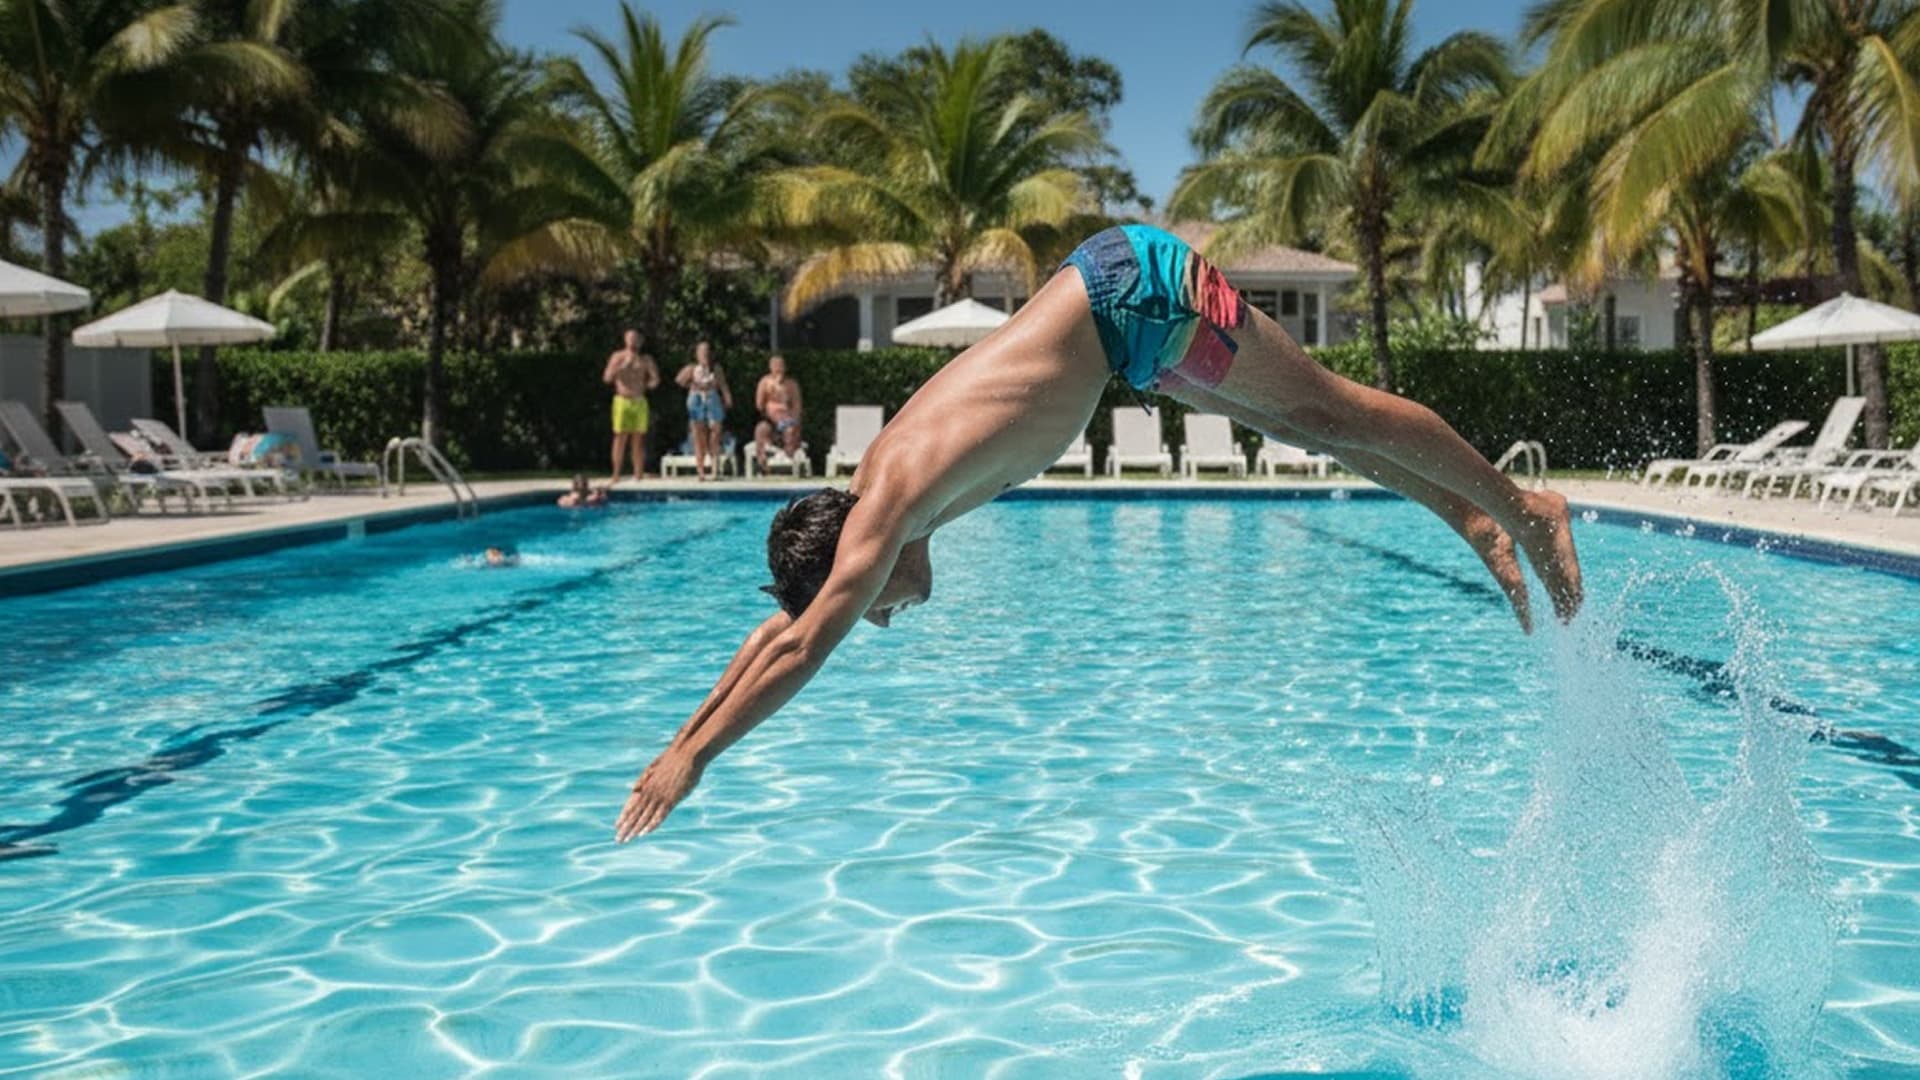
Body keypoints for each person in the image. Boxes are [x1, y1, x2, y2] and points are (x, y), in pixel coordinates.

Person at [614, 223, 1583, 842]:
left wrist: (695, 760)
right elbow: (774, 634)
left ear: (850, 565)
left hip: (1137, 290)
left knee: (1329, 409)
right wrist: (678, 734)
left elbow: (798, 649)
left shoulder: (886, 504)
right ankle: (1471, 516)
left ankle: (1523, 509)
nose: (888, 607)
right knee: (1299, 424)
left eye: (868, 604)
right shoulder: (872, 503)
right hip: (1132, 333)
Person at [603, 329, 659, 485]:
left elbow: (655, 379)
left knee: (638, 439)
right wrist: (621, 368)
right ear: (625, 340)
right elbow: (607, 378)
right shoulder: (618, 357)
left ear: (640, 341)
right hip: (622, 400)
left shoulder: (646, 359)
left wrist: (650, 384)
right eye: (630, 338)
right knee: (620, 437)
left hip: (639, 401)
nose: (633, 342)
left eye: (635, 339)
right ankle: (615, 474)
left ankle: (638, 474)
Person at [675, 341, 733, 481]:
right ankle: (700, 471)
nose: (704, 354)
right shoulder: (692, 368)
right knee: (698, 435)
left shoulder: (716, 369)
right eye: (701, 352)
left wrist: (727, 398)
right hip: (696, 399)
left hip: (712, 398)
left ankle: (714, 470)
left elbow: (722, 384)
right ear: (696, 354)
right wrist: (693, 384)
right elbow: (679, 380)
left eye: (706, 351)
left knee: (715, 434)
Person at [753, 355, 804, 473]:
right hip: (770, 419)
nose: (778, 369)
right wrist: (769, 392)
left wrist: (791, 418)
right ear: (770, 367)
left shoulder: (791, 384)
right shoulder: (765, 382)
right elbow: (759, 405)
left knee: (790, 431)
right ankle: (762, 463)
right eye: (775, 366)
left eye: (780, 366)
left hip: (787, 419)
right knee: (760, 430)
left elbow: (797, 406)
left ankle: (788, 463)